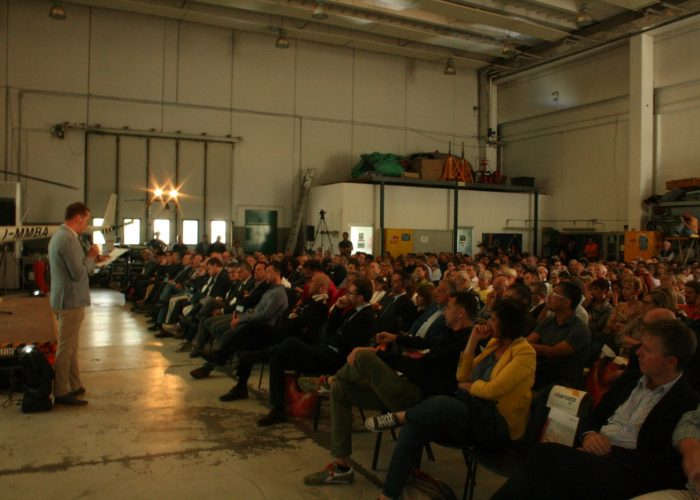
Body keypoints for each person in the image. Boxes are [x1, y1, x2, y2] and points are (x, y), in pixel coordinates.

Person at [493, 319, 700, 500]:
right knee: (547, 488)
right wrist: (589, 435)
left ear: (670, 361)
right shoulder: (630, 380)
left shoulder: (685, 402)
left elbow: (664, 465)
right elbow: (593, 418)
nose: (638, 353)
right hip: (595, 457)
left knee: (544, 455)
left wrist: (609, 452)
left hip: (629, 474)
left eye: (647, 349)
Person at [356, 299, 536, 499]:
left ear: (507, 324)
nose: (487, 322)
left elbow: (494, 389)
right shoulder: (494, 344)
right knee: (415, 427)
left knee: (441, 403)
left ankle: (400, 417)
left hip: (497, 424)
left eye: (493, 319)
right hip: (473, 410)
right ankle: (388, 495)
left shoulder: (525, 354)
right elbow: (461, 375)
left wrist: (470, 386)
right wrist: (473, 340)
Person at [302, 291, 480, 488]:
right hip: (404, 386)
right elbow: (427, 344)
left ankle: (328, 381)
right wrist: (395, 338)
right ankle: (342, 467)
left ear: (461, 312)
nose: (444, 311)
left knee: (363, 357)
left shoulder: (464, 345)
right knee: (341, 390)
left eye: (449, 307)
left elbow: (421, 368)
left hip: (417, 400)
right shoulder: (451, 334)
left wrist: (378, 354)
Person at [48, 202, 103, 406]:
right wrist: (91, 257)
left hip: (64, 297)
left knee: (71, 346)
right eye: (86, 220)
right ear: (78, 218)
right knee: (65, 347)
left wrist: (91, 260)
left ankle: (75, 383)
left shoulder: (61, 236)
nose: (86, 225)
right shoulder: (68, 239)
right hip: (70, 300)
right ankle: (61, 391)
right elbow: (78, 272)